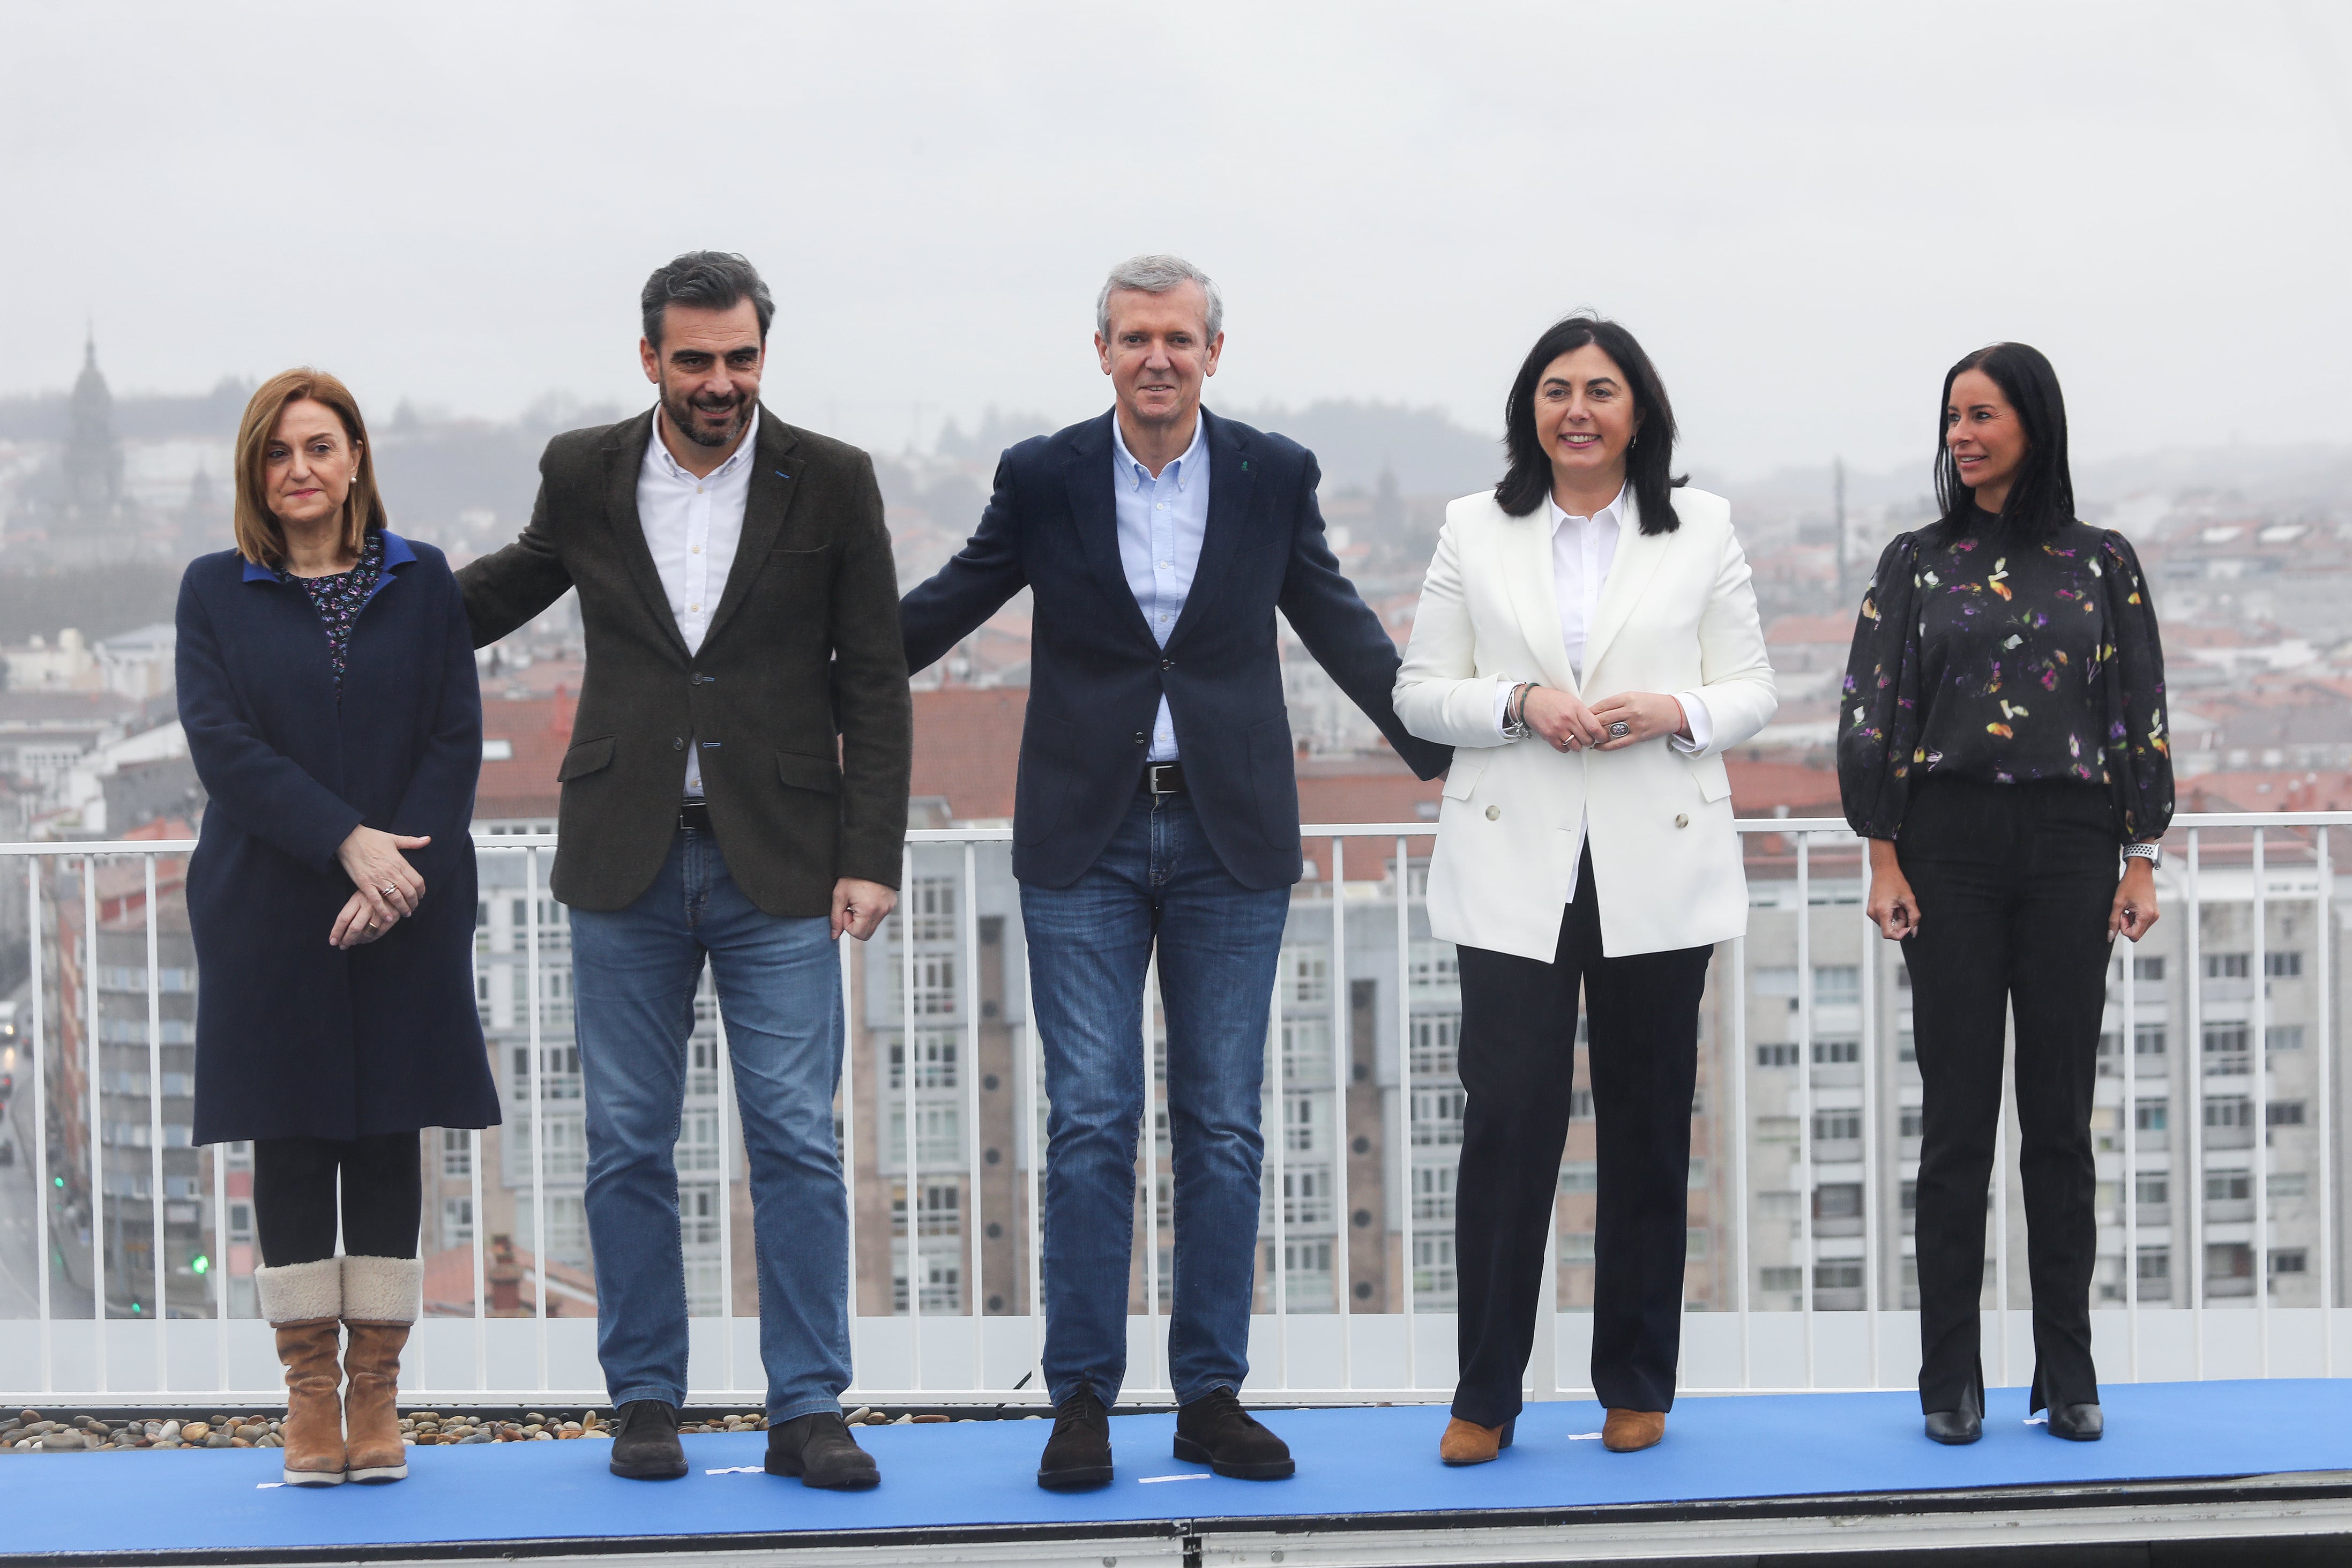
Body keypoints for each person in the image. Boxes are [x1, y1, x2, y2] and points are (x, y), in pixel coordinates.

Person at [900, 255, 1451, 1489]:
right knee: (1090, 1122)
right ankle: (1082, 1400)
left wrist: (1449, 753)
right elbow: (946, 606)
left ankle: (1208, 1394)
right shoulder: (1043, 475)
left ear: (1214, 351)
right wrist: (819, 677)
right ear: (1098, 349)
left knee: (1223, 1124)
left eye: (1180, 338)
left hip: (1228, 834)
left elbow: (1338, 621)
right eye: (1136, 336)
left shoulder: (1270, 473)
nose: (1159, 356)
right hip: (1081, 838)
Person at [457, 251, 911, 1488]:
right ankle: (644, 1396)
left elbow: (872, 675)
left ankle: (807, 1405)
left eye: (742, 357)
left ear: (765, 353)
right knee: (625, 1144)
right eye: (697, 358)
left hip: (782, 862)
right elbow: (509, 585)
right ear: (651, 357)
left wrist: (871, 853)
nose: (721, 382)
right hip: (626, 852)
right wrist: (363, 609)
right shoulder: (586, 472)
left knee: (796, 1144)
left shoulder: (832, 480)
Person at [1393, 315, 1776, 1462]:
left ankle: (1635, 1380)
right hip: (1514, 856)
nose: (1576, 409)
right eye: (1555, 390)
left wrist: (1678, 710)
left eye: (1599, 391)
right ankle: (1484, 1394)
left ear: (1636, 411)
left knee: (1648, 1123)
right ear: (1529, 411)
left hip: (1651, 853)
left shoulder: (1699, 527)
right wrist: (1515, 701)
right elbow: (1419, 690)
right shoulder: (1474, 526)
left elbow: (1751, 686)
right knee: (1506, 1122)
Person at [1839, 342, 2171, 1446]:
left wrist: (2140, 855)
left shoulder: (2100, 562)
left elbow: (2134, 706)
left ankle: (2065, 1371)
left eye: (1980, 414)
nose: (1961, 435)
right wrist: (1881, 855)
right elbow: (1874, 711)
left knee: (2059, 1123)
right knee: (1955, 1122)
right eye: (1949, 418)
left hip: (2075, 844)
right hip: (1948, 848)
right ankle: (1949, 1377)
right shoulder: (1916, 562)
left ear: (2032, 422)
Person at [181, 369, 499, 1488]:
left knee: (384, 1135)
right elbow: (224, 747)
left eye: (319, 446)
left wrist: (395, 867)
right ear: (254, 473)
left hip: (407, 897)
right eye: (278, 453)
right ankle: (307, 1390)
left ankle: (379, 1389)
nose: (300, 469)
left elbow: (454, 736)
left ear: (356, 456)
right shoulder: (213, 590)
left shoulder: (422, 583)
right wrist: (344, 843)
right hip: (271, 903)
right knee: (292, 1132)